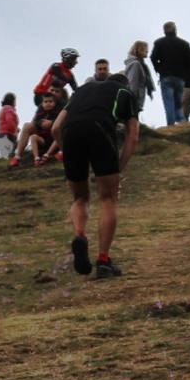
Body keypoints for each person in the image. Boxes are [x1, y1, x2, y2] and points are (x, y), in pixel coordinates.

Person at [52, 72, 140, 279]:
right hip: (100, 129)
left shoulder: (82, 90)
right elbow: (133, 136)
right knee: (108, 198)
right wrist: (119, 167)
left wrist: (67, 153)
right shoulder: (125, 92)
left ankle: (80, 235)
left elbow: (56, 128)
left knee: (80, 197)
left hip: (71, 133)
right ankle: (103, 260)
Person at [150, 22, 190, 125]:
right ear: (175, 29)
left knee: (169, 103)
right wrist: (185, 72)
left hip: (166, 76)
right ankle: (181, 121)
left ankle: (171, 125)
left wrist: (158, 69)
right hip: (180, 77)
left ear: (164, 31)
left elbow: (153, 58)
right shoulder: (184, 44)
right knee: (178, 102)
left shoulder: (159, 43)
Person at [18, 94, 61, 165]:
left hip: (53, 139)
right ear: (42, 104)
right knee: (33, 137)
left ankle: (47, 155)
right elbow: (34, 122)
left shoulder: (57, 113)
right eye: (46, 102)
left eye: (50, 101)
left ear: (54, 103)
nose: (48, 103)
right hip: (43, 139)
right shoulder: (40, 113)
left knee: (59, 134)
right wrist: (40, 123)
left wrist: (51, 122)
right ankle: (36, 158)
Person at [123, 40, 155, 115]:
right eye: (145, 49)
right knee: (132, 117)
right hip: (134, 97)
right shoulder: (136, 64)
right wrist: (132, 99)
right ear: (140, 50)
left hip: (137, 96)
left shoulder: (141, 64)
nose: (147, 51)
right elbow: (132, 82)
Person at [0, 93, 19, 159]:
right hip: (7, 134)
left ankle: (7, 159)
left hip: (0, 135)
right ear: (13, 101)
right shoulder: (9, 109)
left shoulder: (3, 109)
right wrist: (15, 129)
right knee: (17, 145)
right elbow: (9, 120)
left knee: (6, 153)